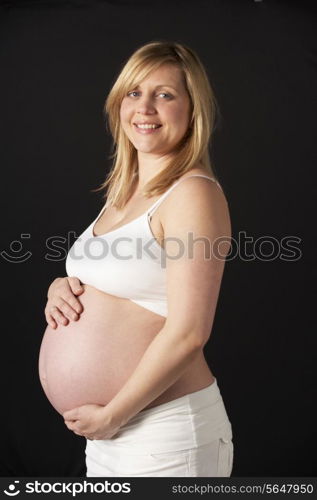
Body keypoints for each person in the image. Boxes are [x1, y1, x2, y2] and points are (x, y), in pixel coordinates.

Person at [43, 40, 233, 477]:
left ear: (192, 108)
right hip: (112, 438)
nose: (145, 107)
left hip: (164, 436)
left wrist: (114, 415)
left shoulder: (193, 194)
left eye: (165, 94)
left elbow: (189, 333)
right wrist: (63, 288)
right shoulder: (124, 193)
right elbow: (122, 282)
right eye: (134, 92)